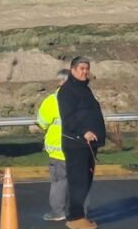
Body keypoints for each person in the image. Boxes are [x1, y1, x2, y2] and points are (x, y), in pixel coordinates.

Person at [57, 56, 105, 229]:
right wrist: (84, 131)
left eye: (87, 68)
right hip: (76, 144)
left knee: (86, 180)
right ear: (72, 70)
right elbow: (68, 118)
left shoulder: (84, 89)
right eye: (81, 68)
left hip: (88, 145)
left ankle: (79, 216)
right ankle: (75, 218)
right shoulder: (67, 91)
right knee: (78, 181)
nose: (85, 71)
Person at [37, 68, 71, 222]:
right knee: (79, 181)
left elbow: (42, 123)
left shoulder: (52, 100)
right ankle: (80, 212)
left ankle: (58, 211)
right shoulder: (83, 97)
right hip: (79, 149)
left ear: (60, 81)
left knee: (59, 181)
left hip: (59, 150)